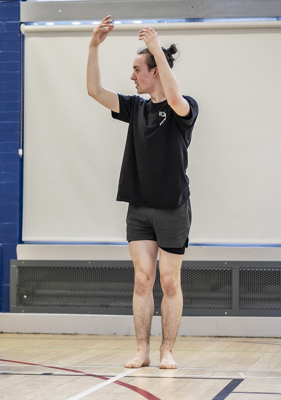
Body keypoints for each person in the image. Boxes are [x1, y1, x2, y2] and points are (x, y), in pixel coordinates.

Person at [87, 17, 198, 369]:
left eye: (138, 69)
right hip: (139, 207)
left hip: (172, 207)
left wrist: (155, 48)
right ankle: (143, 351)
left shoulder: (184, 108)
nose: (132, 76)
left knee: (167, 282)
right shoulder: (136, 108)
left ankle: (167, 350)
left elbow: (175, 95)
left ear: (154, 72)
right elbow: (94, 91)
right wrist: (93, 45)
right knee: (142, 279)